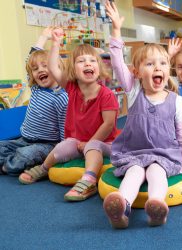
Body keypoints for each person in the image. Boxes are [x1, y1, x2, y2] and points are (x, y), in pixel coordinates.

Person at [103, 1, 182, 228]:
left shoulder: (177, 101)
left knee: (156, 172)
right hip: (134, 152)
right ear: (136, 73)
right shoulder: (133, 92)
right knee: (134, 172)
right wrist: (115, 31)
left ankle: (156, 206)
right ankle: (121, 208)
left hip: (163, 155)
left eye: (163, 63)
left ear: (168, 69)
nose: (157, 68)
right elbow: (117, 64)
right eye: (150, 64)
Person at [18, 27, 119, 202]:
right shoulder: (71, 88)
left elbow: (108, 124)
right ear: (73, 69)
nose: (88, 64)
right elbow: (52, 67)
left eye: (92, 61)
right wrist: (55, 42)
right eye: (81, 61)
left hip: (104, 142)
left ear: (98, 67)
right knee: (63, 146)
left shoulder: (106, 95)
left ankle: (88, 180)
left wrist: (90, 141)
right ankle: (43, 168)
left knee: (92, 146)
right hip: (78, 142)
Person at [0, 27, 68, 176]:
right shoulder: (36, 88)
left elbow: (65, 128)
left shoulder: (61, 97)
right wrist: (43, 37)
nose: (40, 70)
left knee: (25, 155)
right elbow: (29, 60)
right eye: (36, 69)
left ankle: (6, 167)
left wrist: (63, 152)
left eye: (45, 66)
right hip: (23, 139)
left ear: (57, 68)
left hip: (47, 145)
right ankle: (13, 159)